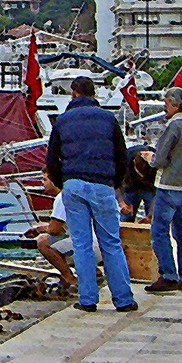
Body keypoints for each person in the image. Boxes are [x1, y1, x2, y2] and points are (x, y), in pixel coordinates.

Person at [44, 76, 138, 313]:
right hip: (102, 184)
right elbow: (121, 155)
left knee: (81, 244)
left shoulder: (63, 121)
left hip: (73, 184)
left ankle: (87, 299)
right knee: (111, 243)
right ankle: (124, 300)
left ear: (74, 93)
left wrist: (63, 182)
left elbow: (51, 159)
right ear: (93, 93)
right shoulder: (108, 118)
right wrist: (114, 184)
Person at [145, 86, 182, 293]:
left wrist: (148, 158)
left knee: (159, 231)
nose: (164, 107)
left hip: (168, 186)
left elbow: (160, 159)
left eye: (167, 103)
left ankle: (168, 275)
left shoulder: (173, 126)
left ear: (176, 105)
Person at [25, 184, 101, 294]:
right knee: (61, 241)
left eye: (45, 179)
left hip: (90, 247)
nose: (42, 183)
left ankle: (70, 280)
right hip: (101, 242)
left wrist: (38, 230)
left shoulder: (62, 198)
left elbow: (54, 230)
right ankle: (95, 272)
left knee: (43, 242)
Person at [119, 146, 157, 221]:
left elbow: (158, 193)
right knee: (126, 216)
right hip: (130, 187)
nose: (142, 177)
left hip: (150, 187)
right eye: (140, 174)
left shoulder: (156, 159)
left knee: (155, 219)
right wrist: (122, 202)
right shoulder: (125, 159)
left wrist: (150, 216)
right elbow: (117, 182)